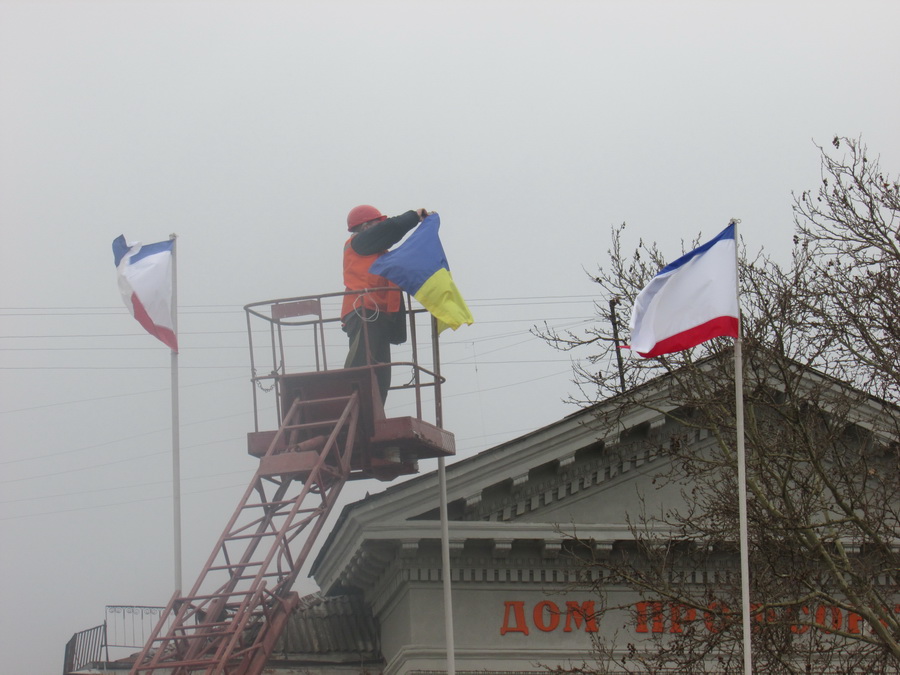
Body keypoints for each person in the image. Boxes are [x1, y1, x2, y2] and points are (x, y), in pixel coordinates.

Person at [341, 205, 429, 402]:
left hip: (376, 314)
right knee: (362, 367)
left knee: (380, 373)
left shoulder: (373, 250)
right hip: (363, 312)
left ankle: (373, 410)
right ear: (365, 227)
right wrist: (414, 216)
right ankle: (349, 404)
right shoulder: (360, 242)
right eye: (377, 223)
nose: (381, 227)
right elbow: (392, 228)